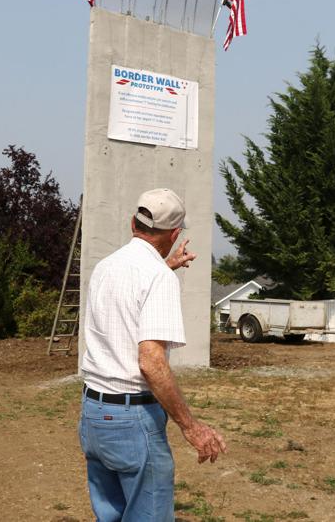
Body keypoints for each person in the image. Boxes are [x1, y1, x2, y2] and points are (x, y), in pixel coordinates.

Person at [79, 188, 227, 522]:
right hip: (132, 421)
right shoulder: (157, 277)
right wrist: (191, 427)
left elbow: (131, 292)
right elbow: (151, 361)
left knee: (111, 515)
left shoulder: (106, 266)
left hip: (93, 414)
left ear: (134, 222)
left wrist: (166, 266)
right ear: (175, 234)